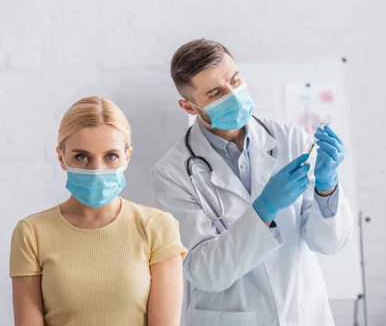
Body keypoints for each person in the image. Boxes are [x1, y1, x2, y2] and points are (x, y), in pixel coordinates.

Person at [149, 39, 353, 326]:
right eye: (216, 93)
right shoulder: (172, 173)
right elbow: (206, 273)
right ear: (189, 106)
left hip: (303, 314)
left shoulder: (291, 140)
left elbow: (329, 243)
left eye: (235, 80)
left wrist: (326, 187)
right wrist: (264, 210)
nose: (233, 94)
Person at [9, 96, 188, 326]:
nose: (96, 170)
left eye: (110, 156)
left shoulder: (157, 227)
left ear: (127, 157)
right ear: (61, 158)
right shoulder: (31, 233)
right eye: (82, 157)